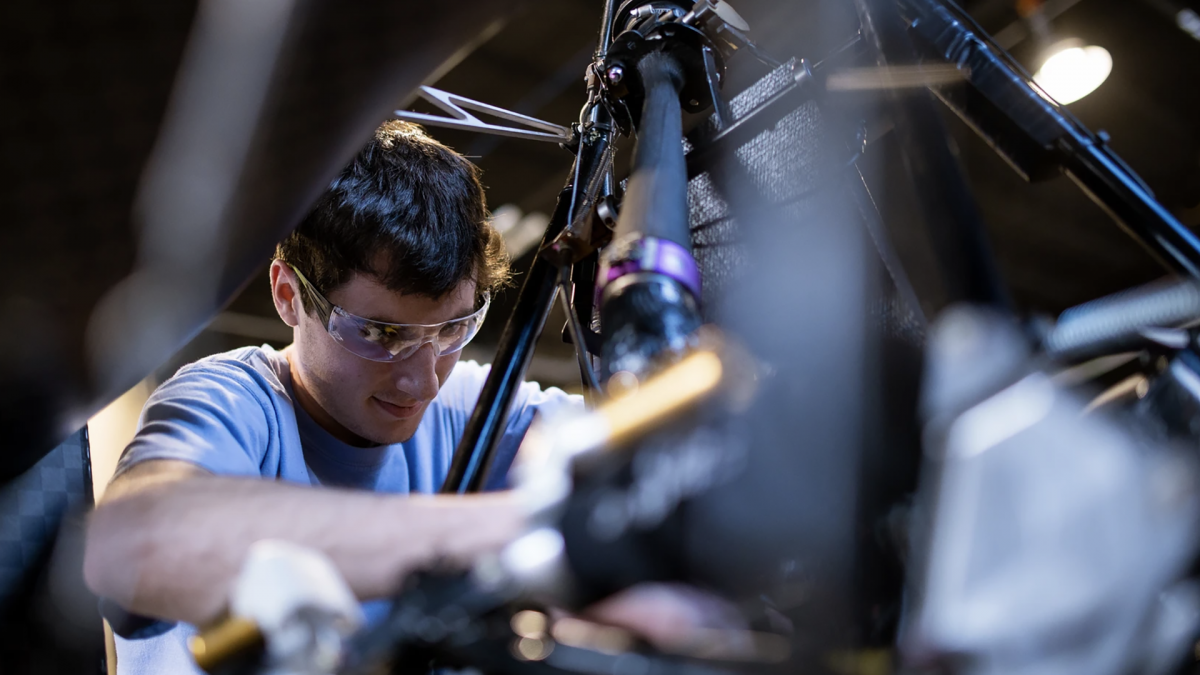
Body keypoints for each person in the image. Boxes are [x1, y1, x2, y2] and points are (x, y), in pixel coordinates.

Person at [83, 120, 579, 674]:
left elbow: (630, 452)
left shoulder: (469, 407)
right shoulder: (232, 402)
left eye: (450, 331)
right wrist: (508, 527)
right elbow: (137, 536)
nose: (423, 382)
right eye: (379, 333)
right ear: (288, 295)